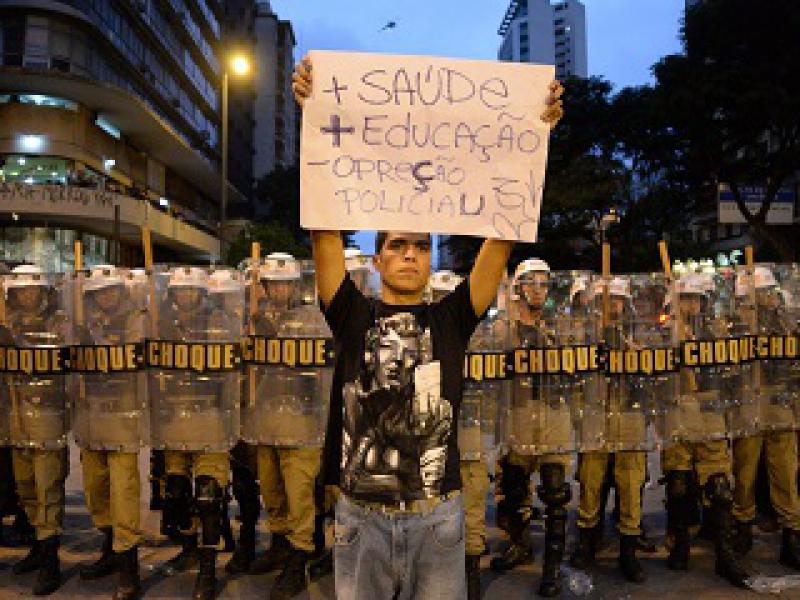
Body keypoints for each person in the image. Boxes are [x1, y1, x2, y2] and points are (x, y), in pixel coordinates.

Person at [292, 55, 563, 598]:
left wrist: (534, 138)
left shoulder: (451, 318)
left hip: (437, 516)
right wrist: (315, 117)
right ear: (376, 260)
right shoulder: (351, 313)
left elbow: (501, 238)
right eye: (398, 245)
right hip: (361, 517)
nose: (411, 254)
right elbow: (324, 227)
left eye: (421, 245)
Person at [242, 253, 328, 599]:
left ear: (295, 286)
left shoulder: (312, 319)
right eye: (272, 284)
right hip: (266, 417)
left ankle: (299, 555)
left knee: (299, 493)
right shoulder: (255, 317)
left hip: (301, 417)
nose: (279, 290)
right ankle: (279, 543)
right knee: (272, 489)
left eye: (285, 284)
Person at [153, 266, 241, 600]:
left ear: (203, 294)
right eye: (180, 290)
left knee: (208, 496)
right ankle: (189, 547)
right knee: (176, 492)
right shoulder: (161, 324)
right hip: (175, 419)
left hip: (210, 418)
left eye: (192, 290)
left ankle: (208, 568)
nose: (185, 295)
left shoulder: (220, 324)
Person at [491, 259, 577, 596]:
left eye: (543, 283)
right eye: (531, 282)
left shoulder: (560, 324)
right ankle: (520, 544)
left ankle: (551, 568)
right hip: (518, 411)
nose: (538, 289)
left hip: (553, 411)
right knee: (514, 487)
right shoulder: (504, 326)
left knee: (555, 491)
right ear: (518, 287)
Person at [660, 272, 749, 587]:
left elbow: (731, 372)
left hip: (710, 410)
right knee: (679, 485)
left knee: (720, 487)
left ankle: (725, 554)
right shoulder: (663, 333)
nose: (692, 304)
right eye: (686, 298)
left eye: (697, 299)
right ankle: (680, 544)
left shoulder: (716, 332)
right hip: (678, 412)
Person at [74, 265, 146, 600]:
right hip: (91, 416)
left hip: (123, 415)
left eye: (112, 289)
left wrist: (100, 338)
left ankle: (129, 566)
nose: (107, 296)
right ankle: (110, 547)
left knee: (124, 490)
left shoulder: (135, 320)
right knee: (95, 489)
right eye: (99, 292)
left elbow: (135, 352)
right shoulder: (82, 322)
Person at [570, 277, 647, 584]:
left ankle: (629, 548)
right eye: (605, 301)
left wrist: (636, 355)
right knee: (591, 480)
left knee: (630, 483)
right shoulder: (587, 334)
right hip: (596, 413)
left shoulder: (638, 334)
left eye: (616, 300)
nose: (611, 306)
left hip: (628, 413)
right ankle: (587, 540)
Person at [1, 265, 70, 595]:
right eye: (21, 291)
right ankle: (38, 547)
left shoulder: (58, 323)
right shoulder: (7, 323)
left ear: (44, 292)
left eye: (33, 290)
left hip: (47, 414)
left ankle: (50, 561)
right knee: (25, 486)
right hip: (15, 418)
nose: (27, 296)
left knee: (47, 488)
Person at [732, 265, 800, 568]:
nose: (764, 299)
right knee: (744, 472)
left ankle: (792, 533)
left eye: (766, 293)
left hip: (778, 400)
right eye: (757, 294)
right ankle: (742, 527)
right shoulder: (733, 326)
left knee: (785, 472)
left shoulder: (784, 323)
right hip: (748, 403)